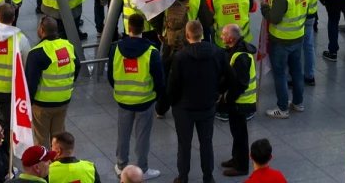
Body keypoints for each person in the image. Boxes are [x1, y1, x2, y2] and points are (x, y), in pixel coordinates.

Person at [167, 20, 231, 183]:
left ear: (187, 35)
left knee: (184, 144)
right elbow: (230, 76)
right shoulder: (217, 52)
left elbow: (173, 84)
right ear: (202, 34)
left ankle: (183, 178)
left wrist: (174, 102)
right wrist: (219, 91)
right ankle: (208, 177)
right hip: (207, 106)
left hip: (184, 108)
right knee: (206, 142)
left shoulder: (180, 57)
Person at [110, 13, 164, 179]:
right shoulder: (151, 52)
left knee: (123, 133)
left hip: (123, 100)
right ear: (144, 27)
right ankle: (142, 169)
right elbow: (159, 79)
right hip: (145, 100)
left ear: (128, 28)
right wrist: (156, 95)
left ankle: (121, 165)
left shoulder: (116, 49)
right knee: (142, 136)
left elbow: (110, 76)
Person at [261, 0, 307, 118]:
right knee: (296, 71)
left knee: (280, 74)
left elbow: (274, 18)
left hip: (281, 40)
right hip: (298, 36)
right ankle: (298, 103)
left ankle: (282, 109)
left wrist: (265, 8)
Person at [25, 16, 78, 147]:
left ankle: (45, 165)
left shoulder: (37, 52)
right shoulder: (68, 46)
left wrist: (27, 103)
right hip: (63, 100)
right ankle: (58, 163)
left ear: (42, 30)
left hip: (42, 104)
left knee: (41, 139)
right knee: (59, 138)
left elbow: (31, 82)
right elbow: (78, 66)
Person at [220, 23, 256, 178]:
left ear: (231, 37)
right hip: (239, 102)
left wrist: (228, 99)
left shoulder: (240, 56)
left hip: (241, 102)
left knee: (240, 135)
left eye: (223, 34)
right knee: (236, 132)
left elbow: (240, 84)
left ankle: (241, 166)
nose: (221, 36)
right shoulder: (236, 51)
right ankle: (236, 159)